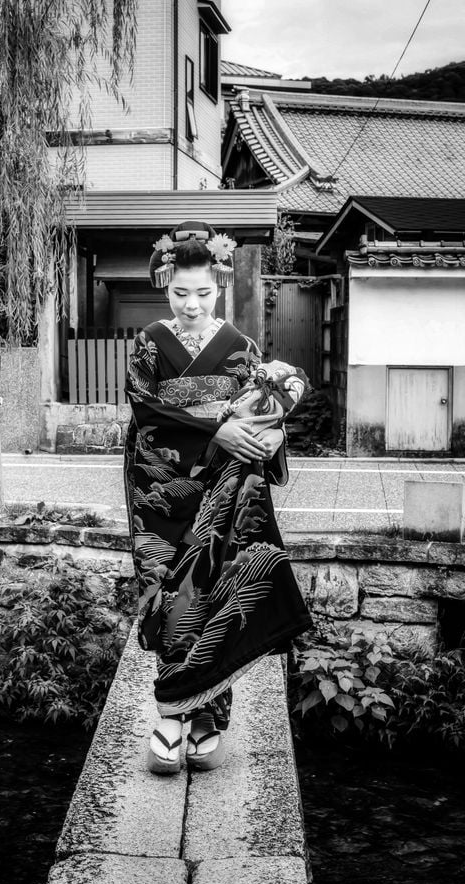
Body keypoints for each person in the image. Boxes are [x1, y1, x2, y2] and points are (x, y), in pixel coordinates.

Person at [123, 220, 314, 775]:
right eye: (180, 292)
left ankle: (208, 714)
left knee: (217, 585)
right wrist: (214, 431)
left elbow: (261, 409)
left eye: (203, 293)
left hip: (224, 489)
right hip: (160, 486)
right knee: (165, 589)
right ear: (165, 284)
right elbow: (144, 410)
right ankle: (170, 713)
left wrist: (271, 431)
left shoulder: (243, 348)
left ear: (220, 285)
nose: (191, 304)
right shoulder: (147, 344)